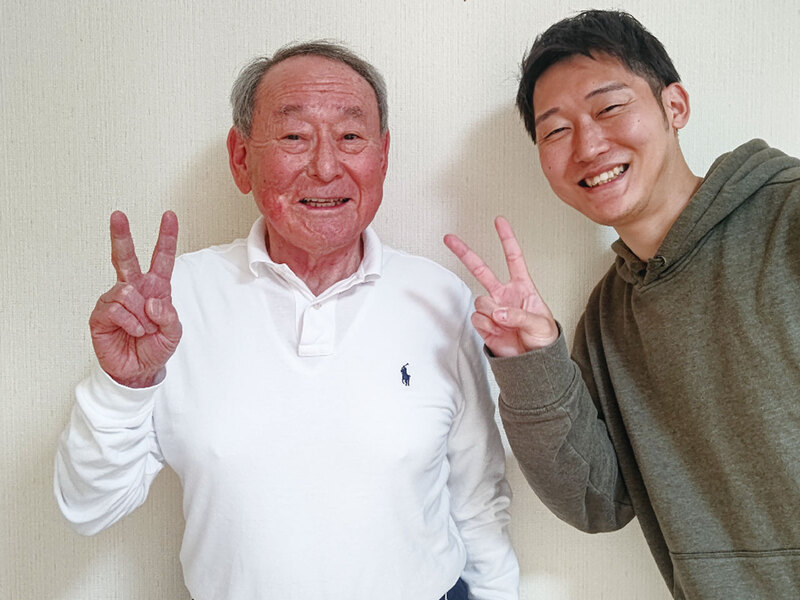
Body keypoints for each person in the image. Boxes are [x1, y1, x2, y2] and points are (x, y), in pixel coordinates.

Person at [55, 41, 518, 600]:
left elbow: (479, 498)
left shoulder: (439, 297)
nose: (325, 166)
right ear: (240, 158)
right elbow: (88, 508)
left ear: (383, 156)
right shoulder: (173, 304)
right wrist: (124, 386)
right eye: (295, 136)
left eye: (350, 137)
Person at [445, 9, 800, 600]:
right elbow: (599, 501)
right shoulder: (609, 318)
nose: (588, 145)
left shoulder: (787, 218)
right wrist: (532, 362)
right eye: (556, 131)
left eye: (609, 108)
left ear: (674, 106)